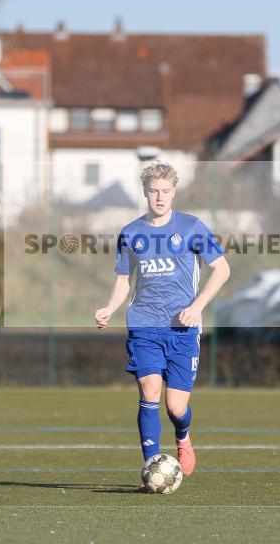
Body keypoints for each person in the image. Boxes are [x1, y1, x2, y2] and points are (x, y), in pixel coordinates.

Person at [94, 161, 231, 492]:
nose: (160, 197)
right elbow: (123, 280)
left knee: (176, 407)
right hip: (144, 326)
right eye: (153, 191)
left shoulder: (192, 227)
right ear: (144, 192)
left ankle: (183, 436)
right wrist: (111, 307)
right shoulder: (131, 233)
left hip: (183, 331)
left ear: (174, 192)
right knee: (150, 393)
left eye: (166, 191)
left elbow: (222, 269)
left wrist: (197, 307)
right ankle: (149, 471)